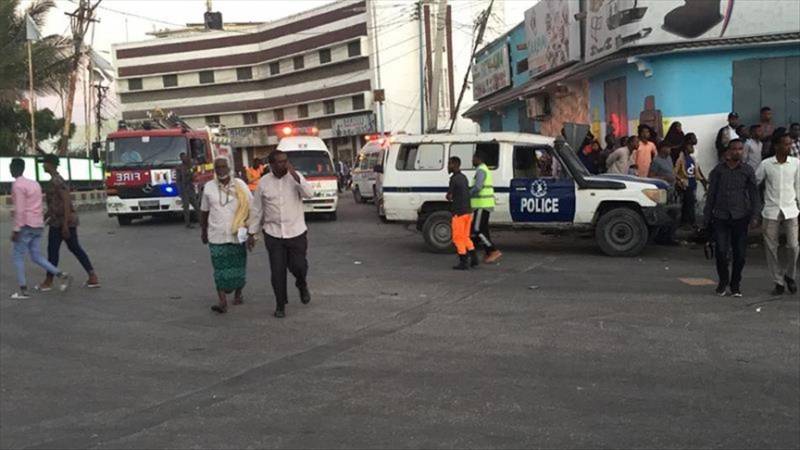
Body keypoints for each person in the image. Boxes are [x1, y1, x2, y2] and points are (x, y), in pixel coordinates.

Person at [247, 150, 313, 318]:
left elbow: (309, 194)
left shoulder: (295, 177)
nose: (283, 164)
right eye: (279, 162)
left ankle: (301, 283)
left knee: (299, 266)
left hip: (296, 231)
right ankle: (280, 304)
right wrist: (252, 233)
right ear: (271, 165)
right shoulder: (263, 183)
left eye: (285, 161)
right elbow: (257, 210)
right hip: (273, 234)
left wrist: (295, 177)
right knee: (277, 271)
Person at [704, 139, 760, 297]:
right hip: (721, 216)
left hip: (740, 216)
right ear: (728, 151)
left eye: (740, 149)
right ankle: (723, 282)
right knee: (721, 252)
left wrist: (755, 215)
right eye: (734, 149)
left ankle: (735, 285)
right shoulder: (718, 171)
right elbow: (711, 195)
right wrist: (707, 216)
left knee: (740, 254)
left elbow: (754, 194)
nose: (737, 152)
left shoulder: (747, 170)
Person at [9, 158, 72, 299]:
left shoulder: (17, 185)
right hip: (38, 225)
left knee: (18, 256)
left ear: (13, 169)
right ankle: (61, 274)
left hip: (26, 225)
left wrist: (16, 229)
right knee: (36, 256)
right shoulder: (34, 184)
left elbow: (20, 209)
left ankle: (23, 290)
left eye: (11, 167)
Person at [38, 154, 100, 290]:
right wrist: (41, 219)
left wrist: (65, 224)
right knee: (71, 248)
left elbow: (66, 201)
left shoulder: (57, 181)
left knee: (55, 250)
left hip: (63, 222)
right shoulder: (55, 180)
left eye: (44, 163)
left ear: (50, 165)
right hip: (57, 221)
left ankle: (48, 281)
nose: (43, 166)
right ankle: (92, 276)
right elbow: (53, 205)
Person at [201, 157, 251, 313]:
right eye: (218, 167)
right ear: (215, 170)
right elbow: (204, 211)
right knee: (219, 268)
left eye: (223, 167)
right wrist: (203, 230)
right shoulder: (208, 187)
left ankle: (238, 294)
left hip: (238, 234)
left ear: (229, 168)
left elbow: (251, 206)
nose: (221, 170)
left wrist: (251, 231)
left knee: (238, 267)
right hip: (216, 235)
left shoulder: (240, 185)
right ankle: (222, 301)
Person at [755, 133, 799, 296]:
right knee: (771, 247)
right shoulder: (766, 164)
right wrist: (756, 206)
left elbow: (799, 187)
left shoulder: (795, 164)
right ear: (777, 146)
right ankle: (778, 281)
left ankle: (790, 274)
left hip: (791, 209)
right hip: (771, 210)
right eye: (785, 144)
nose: (788, 147)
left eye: (790, 144)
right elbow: (755, 182)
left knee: (794, 246)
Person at [470, 151, 502, 263]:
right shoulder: (484, 169)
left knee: (477, 229)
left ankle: (492, 250)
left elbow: (478, 187)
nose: (472, 160)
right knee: (483, 230)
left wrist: (467, 194)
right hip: (484, 205)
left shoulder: (481, 170)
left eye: (473, 158)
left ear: (478, 159)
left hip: (481, 205)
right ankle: (485, 253)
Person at [446, 157, 478, 270]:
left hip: (459, 212)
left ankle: (463, 261)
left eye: (449, 164)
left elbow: (449, 196)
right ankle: (474, 258)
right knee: (465, 236)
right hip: (468, 212)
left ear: (455, 165)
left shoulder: (454, 179)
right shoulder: (464, 178)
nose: (448, 166)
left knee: (457, 238)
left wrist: (448, 196)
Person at [674, 133, 707, 227]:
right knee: (689, 204)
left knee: (689, 204)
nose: (692, 148)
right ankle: (690, 223)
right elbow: (675, 171)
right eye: (690, 146)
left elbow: (696, 170)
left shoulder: (691, 157)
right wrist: (680, 181)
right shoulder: (681, 157)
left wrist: (703, 180)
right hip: (685, 184)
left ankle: (687, 222)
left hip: (692, 183)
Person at [649, 142, 679, 245]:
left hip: (672, 189)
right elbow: (651, 176)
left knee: (674, 214)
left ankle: (669, 236)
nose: (670, 149)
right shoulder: (656, 161)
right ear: (662, 149)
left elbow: (672, 172)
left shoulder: (669, 158)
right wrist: (665, 178)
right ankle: (662, 237)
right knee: (666, 214)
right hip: (662, 191)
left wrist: (677, 179)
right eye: (668, 147)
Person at [175, 152, 200, 229]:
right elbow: (178, 180)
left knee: (196, 206)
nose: (184, 159)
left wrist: (192, 173)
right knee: (186, 208)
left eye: (185, 157)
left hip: (190, 188)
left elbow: (194, 176)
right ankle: (187, 223)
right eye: (182, 157)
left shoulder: (190, 166)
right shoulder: (179, 167)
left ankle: (201, 222)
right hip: (184, 189)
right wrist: (179, 190)